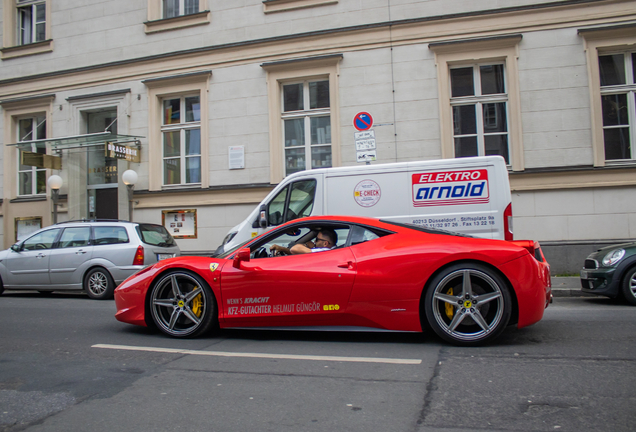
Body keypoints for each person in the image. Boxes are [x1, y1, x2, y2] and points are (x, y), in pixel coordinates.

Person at [270, 228, 337, 255]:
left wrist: (307, 245)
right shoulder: (332, 250)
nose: (314, 241)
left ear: (325, 243)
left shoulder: (325, 251)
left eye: (317, 240)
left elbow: (294, 249)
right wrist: (282, 249)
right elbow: (297, 252)